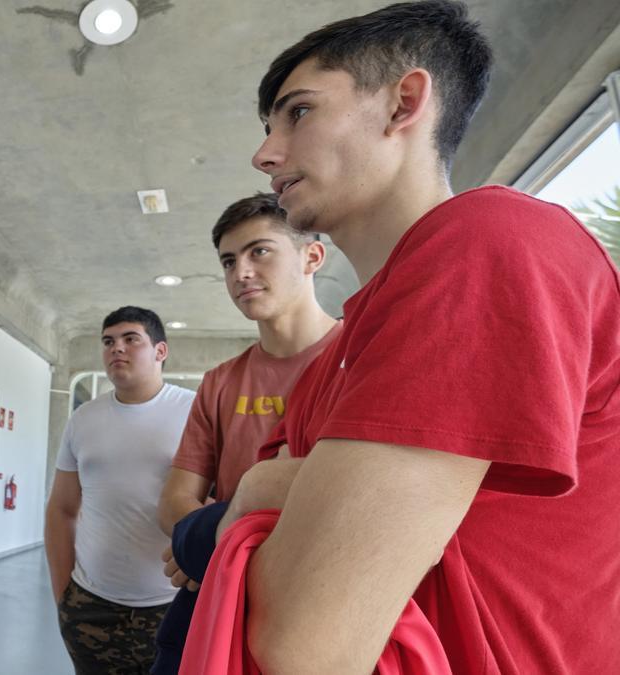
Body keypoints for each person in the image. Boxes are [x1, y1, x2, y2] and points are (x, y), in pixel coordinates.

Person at [202, 1, 620, 672]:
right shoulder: (329, 362)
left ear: (404, 103)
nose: (264, 154)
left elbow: (304, 640)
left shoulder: (490, 241)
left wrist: (256, 488)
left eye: (298, 112)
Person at [151, 193, 340, 674]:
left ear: (312, 256)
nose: (241, 273)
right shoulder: (221, 381)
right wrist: (213, 553)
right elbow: (175, 501)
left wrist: (207, 545)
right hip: (225, 600)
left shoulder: (357, 359)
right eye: (229, 261)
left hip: (327, 601)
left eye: (260, 251)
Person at [45, 306, 195, 674]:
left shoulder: (194, 412)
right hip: (91, 605)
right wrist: (63, 595)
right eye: (109, 342)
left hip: (171, 604)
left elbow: (217, 501)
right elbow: (61, 509)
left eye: (131, 339)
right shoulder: (83, 419)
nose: (117, 349)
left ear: (160, 351)